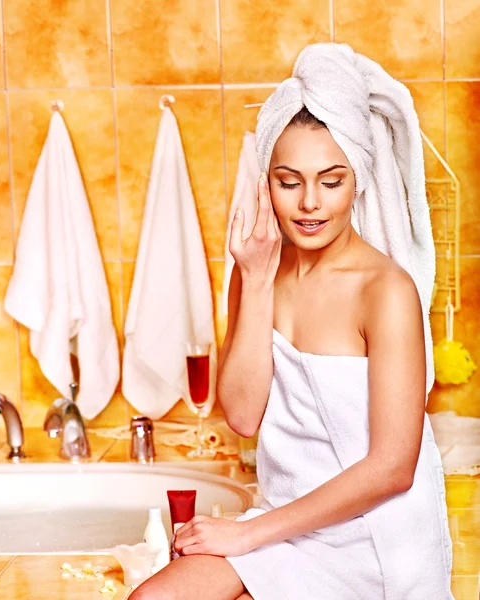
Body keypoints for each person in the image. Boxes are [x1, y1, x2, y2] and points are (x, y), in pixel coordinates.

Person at [129, 43, 453, 600]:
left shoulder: (386, 291)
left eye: (332, 181)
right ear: (265, 182)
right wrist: (253, 279)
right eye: (288, 180)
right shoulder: (256, 271)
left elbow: (393, 468)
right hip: (288, 524)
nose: (309, 203)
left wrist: (247, 534)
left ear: (359, 180)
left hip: (377, 538)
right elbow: (244, 415)